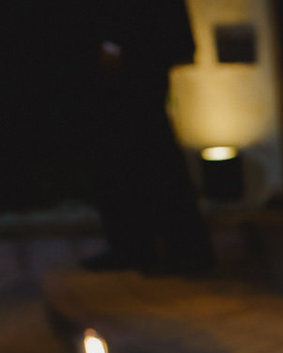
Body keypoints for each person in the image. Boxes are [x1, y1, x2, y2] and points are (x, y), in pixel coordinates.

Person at [67, 0, 216, 275]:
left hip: (136, 53)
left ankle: (179, 248)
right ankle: (139, 245)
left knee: (150, 151)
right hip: (131, 50)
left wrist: (115, 42)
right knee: (124, 153)